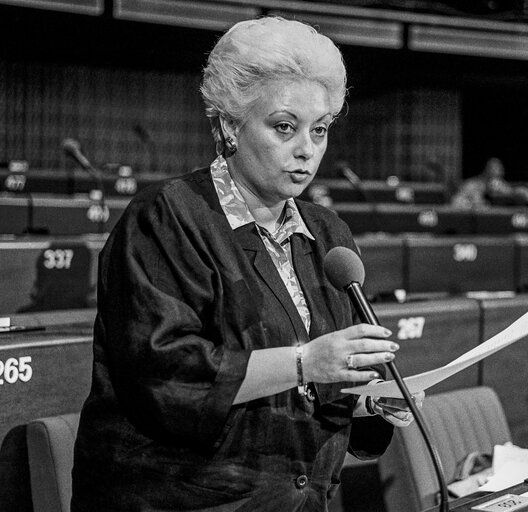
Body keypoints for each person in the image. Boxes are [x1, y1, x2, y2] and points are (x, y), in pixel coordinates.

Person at [71, 17, 422, 512]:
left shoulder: (328, 235)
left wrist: (370, 402)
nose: (307, 149)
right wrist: (305, 362)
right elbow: (166, 379)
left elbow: (321, 388)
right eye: (284, 127)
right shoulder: (165, 218)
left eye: (319, 130)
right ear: (229, 125)